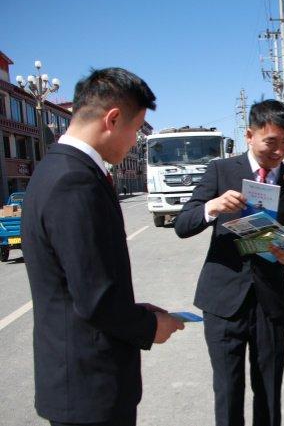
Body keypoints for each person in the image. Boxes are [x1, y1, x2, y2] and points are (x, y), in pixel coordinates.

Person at [21, 67, 184, 426]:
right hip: (88, 388)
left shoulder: (56, 168)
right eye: (135, 129)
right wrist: (149, 326)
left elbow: (77, 282)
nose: (133, 143)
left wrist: (138, 309)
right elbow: (95, 299)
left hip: (78, 382)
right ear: (112, 119)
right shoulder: (74, 181)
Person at [174, 99, 284, 426]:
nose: (279, 151)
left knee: (269, 388)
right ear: (249, 135)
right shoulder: (221, 172)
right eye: (271, 142)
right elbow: (183, 224)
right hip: (223, 301)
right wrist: (214, 206)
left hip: (270, 302)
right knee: (228, 388)